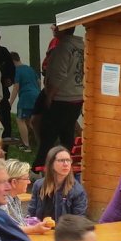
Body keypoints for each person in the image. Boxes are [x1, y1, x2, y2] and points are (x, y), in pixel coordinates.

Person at [34, 27, 84, 168]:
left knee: (48, 136)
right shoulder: (82, 46)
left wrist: (50, 96)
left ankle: (40, 167)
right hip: (77, 96)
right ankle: (65, 165)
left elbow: (58, 74)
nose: (52, 28)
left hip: (61, 97)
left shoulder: (63, 48)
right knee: (67, 135)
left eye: (55, 25)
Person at [28, 146, 87, 221]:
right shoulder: (39, 185)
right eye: (61, 160)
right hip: (39, 231)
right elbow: (31, 214)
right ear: (51, 163)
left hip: (65, 231)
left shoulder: (77, 190)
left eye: (68, 160)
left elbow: (79, 220)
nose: (66, 164)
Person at [4, 159, 52, 235]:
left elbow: (18, 223)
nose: (29, 182)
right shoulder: (1, 202)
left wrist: (35, 223)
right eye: (26, 178)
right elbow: (7, 229)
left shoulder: (15, 199)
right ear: (14, 182)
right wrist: (34, 229)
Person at [8, 52, 40, 152]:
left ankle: (26, 145)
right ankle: (41, 144)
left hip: (26, 97)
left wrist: (10, 102)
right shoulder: (29, 69)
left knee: (20, 119)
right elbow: (39, 81)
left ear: (12, 61)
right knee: (31, 121)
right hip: (36, 95)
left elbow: (16, 87)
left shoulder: (17, 70)